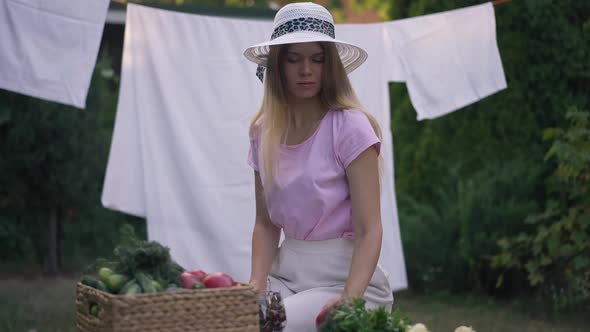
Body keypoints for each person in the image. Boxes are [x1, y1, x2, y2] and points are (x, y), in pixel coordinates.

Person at [243, 2, 393, 331]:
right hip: (286, 274)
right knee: (233, 321)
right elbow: (266, 225)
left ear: (331, 65)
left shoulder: (350, 127)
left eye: (317, 59)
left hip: (345, 280)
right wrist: (255, 285)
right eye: (294, 59)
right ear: (278, 66)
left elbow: (370, 230)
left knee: (273, 328)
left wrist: (350, 299)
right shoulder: (262, 131)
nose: (306, 70)